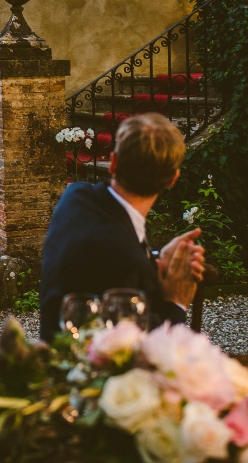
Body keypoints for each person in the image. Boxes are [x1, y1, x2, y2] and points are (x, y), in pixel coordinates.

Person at [39, 113, 206, 342]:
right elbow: (137, 350)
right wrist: (176, 303)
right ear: (172, 179)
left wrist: (155, 258)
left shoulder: (75, 197)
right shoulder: (124, 260)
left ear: (113, 163)